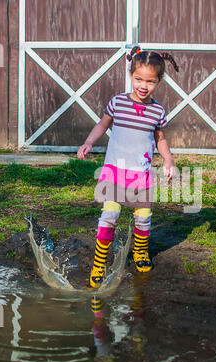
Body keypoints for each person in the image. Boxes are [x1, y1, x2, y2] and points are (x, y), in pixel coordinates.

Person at [77, 46, 179, 288]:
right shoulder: (118, 103)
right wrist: (89, 142)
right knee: (109, 216)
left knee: (143, 218)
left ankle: (141, 253)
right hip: (114, 172)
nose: (143, 85)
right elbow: (102, 126)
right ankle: (99, 264)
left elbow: (160, 139)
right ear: (131, 75)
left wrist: (168, 160)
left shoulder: (157, 111)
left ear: (159, 81)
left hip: (141, 174)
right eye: (138, 79)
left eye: (150, 81)